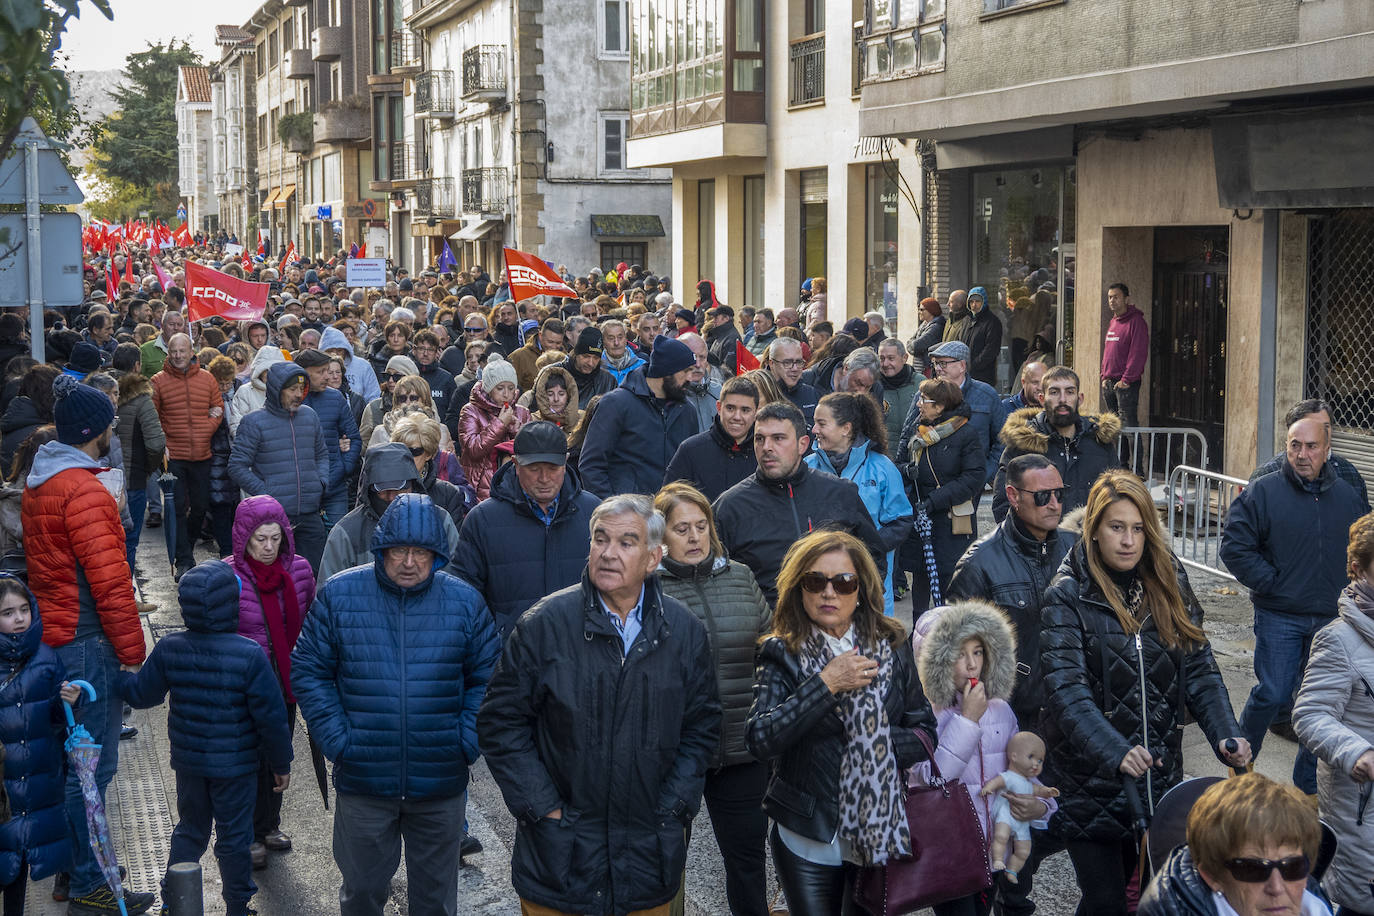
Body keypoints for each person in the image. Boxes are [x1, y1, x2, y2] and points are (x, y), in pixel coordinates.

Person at [478, 495, 720, 916]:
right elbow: (500, 724)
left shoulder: (684, 631)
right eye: (600, 539)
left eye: (627, 542)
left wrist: (674, 805)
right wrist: (542, 807)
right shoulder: (544, 624)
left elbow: (701, 728)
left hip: (648, 854)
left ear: (653, 558)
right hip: (559, 857)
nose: (609, 553)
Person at [1041, 470, 1251, 916]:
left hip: (1159, 778)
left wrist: (1225, 734)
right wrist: (1115, 750)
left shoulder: (1166, 579)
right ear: (1094, 529)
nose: (1128, 540)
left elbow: (1199, 666)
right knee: (1106, 901)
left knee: (1155, 897)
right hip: (1091, 780)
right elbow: (1066, 692)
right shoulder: (1067, 594)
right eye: (1117, 527)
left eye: (1138, 529)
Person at [292, 494, 500, 916]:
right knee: (362, 894)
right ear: (381, 549)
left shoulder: (464, 603)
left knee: (436, 902)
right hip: (365, 781)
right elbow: (308, 669)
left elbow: (490, 680)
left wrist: (465, 740)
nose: (409, 561)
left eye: (421, 551)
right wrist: (339, 740)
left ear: (437, 554)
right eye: (399, 551)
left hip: (439, 783)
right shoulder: (340, 595)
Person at [745, 529, 937, 915]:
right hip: (808, 833)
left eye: (843, 582)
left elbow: (925, 733)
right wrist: (825, 684)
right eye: (815, 581)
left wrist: (865, 733)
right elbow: (760, 736)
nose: (828, 593)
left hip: (877, 830)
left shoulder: (893, 646)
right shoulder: (781, 652)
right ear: (799, 588)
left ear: (862, 588)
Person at [22, 376, 155, 915]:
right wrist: (132, 652)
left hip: (56, 634)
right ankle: (89, 881)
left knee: (72, 763)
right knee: (91, 770)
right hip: (87, 640)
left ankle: (78, 866)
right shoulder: (82, 490)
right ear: (97, 430)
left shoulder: (43, 481)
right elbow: (110, 579)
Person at [118, 560, 293, 916]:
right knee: (234, 838)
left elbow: (143, 695)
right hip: (237, 767)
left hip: (190, 763)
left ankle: (173, 898)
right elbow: (272, 718)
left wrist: (120, 676)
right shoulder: (249, 654)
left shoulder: (170, 648)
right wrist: (280, 763)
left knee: (191, 830)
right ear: (232, 604)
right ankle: (238, 906)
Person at [1220, 413, 1368, 795]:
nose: (1302, 455)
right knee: (1272, 691)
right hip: (1280, 614)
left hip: (1331, 619)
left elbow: (1362, 552)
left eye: (1311, 446)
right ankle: (1240, 767)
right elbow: (1234, 547)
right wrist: (1271, 582)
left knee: (1318, 704)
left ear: (1327, 449)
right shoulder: (1263, 490)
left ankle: (1307, 785)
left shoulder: (1349, 495)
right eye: (1294, 446)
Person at [654, 482, 772, 916]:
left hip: (742, 751)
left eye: (701, 526)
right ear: (660, 537)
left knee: (748, 868)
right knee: (664, 867)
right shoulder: (648, 588)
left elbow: (771, 644)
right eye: (680, 528)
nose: (693, 537)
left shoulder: (740, 576)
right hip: (676, 755)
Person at [910, 600, 1058, 915]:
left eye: (978, 652)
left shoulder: (1001, 709)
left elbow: (1021, 771)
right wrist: (966, 721)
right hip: (948, 853)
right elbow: (933, 778)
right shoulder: (925, 714)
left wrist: (1040, 806)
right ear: (935, 660)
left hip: (994, 850)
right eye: (959, 655)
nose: (972, 664)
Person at [713, 402, 886, 604]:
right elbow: (715, 582)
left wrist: (855, 607)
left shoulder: (840, 493)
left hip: (834, 626)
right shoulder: (730, 507)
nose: (766, 447)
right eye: (759, 439)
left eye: (778, 438)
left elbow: (873, 559)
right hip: (768, 629)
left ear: (802, 444)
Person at [225, 496, 316, 870]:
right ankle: (245, 834)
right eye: (260, 539)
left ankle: (268, 825)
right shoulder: (227, 576)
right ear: (243, 538)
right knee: (247, 759)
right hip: (245, 688)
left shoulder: (300, 570)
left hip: (285, 680)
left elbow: (311, 621)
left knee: (278, 755)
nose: (267, 547)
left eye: (275, 539)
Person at [1293, 510, 1374, 916]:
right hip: (1363, 814)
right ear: (1359, 570)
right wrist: (1357, 752)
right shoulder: (1338, 640)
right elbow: (1309, 715)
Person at [453, 422, 599, 638]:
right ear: (515, 464)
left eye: (553, 468)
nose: (544, 478)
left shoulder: (594, 513)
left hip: (581, 650)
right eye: (534, 469)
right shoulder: (483, 519)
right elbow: (465, 595)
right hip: (511, 654)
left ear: (566, 463)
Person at [0, 576, 82, 916]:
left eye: (23, 610)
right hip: (3, 783)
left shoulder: (47, 660)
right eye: (7, 612)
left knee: (16, 860)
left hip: (33, 779)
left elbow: (54, 721)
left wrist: (68, 703)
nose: (19, 618)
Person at [1138, 773, 1331, 916]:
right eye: (1253, 870)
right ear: (1211, 876)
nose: (1277, 888)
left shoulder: (1315, 906)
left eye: (1293, 866)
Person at [806, 392, 913, 616]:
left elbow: (901, 521)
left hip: (871, 584)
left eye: (821, 423)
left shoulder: (882, 467)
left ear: (846, 428)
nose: (814, 430)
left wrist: (861, 549)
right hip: (818, 585)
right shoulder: (807, 467)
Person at [229, 363, 331, 574]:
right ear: (277, 390)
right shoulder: (254, 422)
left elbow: (321, 454)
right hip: (273, 521)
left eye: (300, 390)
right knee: (278, 577)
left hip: (310, 514)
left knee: (313, 575)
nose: (297, 395)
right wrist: (267, 494)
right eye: (291, 389)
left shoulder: (310, 416)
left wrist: (320, 482)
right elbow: (237, 466)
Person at [896, 377, 988, 612]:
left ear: (940, 406)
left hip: (950, 520)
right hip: (920, 517)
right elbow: (899, 463)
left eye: (924, 400)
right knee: (921, 575)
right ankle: (918, 632)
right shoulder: (916, 430)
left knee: (949, 578)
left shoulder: (965, 434)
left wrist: (935, 500)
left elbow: (974, 477)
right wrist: (907, 470)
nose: (918, 404)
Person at [992, 366, 1121, 522]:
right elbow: (1003, 501)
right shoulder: (1023, 444)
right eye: (1054, 392)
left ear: (1079, 399)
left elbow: (1117, 496)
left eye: (1069, 392)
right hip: (1038, 543)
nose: (1062, 399)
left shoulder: (1100, 443)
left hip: (1088, 542)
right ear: (1041, 399)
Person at [319, 442, 462, 583]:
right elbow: (329, 593)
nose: (392, 497)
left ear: (413, 484)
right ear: (369, 490)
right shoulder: (347, 533)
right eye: (383, 490)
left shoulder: (440, 521)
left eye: (400, 488)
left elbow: (456, 581)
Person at [578, 335, 698, 498]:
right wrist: (611, 508)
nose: (691, 378)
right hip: (628, 514)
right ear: (665, 371)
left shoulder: (687, 410)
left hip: (672, 513)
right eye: (685, 371)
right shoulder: (616, 404)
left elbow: (691, 465)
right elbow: (591, 465)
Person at [152, 333, 224, 580]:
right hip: (173, 455)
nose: (178, 356)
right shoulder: (158, 381)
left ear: (192, 351)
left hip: (202, 454)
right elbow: (152, 418)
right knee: (178, 507)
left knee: (201, 506)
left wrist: (206, 429)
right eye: (174, 352)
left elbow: (218, 409)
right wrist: (162, 443)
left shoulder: (207, 379)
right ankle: (184, 558)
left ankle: (187, 545)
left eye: (182, 351)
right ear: (168, 353)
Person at [908, 339, 1006, 485]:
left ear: (962, 366)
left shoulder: (987, 395)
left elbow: (1002, 441)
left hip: (973, 483)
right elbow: (907, 434)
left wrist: (984, 473)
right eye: (935, 363)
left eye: (943, 363)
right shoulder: (923, 395)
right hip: (933, 483)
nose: (938, 369)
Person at [1250, 399, 1369, 508]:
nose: (1320, 433)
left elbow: (1362, 523)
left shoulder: (1349, 473)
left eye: (1325, 427)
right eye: (1311, 426)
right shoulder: (1265, 476)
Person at [293, 349, 362, 530]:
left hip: (334, 486)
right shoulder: (289, 401)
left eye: (328, 371)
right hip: (300, 490)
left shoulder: (335, 397)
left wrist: (344, 466)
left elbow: (354, 438)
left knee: (336, 540)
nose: (327, 377)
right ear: (303, 373)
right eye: (320, 372)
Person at [663, 375, 759, 502]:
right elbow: (667, 501)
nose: (737, 416)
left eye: (745, 410)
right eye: (730, 408)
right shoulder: (690, 450)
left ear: (756, 413)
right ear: (719, 408)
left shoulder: (764, 453)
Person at [458, 355, 531, 501]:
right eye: (500, 388)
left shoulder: (522, 412)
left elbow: (530, 451)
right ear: (489, 389)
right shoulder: (470, 411)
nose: (506, 394)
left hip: (515, 483)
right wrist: (500, 424)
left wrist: (518, 431)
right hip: (481, 486)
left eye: (511, 388)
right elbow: (473, 450)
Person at [114, 368, 165, 574]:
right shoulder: (142, 400)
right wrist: (149, 469)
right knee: (130, 539)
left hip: (104, 479)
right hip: (133, 478)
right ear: (136, 366)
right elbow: (156, 444)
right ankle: (127, 594)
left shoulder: (100, 391)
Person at [1100, 283, 1147, 428]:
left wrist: (1126, 380)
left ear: (1126, 299)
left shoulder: (1136, 321)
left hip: (1126, 383)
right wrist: (1104, 376)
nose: (1112, 301)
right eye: (1109, 297)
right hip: (1109, 382)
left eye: (1116, 297)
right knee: (1115, 428)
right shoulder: (1113, 321)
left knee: (1129, 426)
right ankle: (1120, 452)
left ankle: (1136, 452)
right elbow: (1108, 351)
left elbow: (1138, 353)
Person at [229, 345, 288, 435]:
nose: (271, 374)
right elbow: (237, 425)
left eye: (275, 370)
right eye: (267, 371)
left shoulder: (288, 391)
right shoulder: (245, 391)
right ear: (259, 371)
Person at [878, 338, 918, 462]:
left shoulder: (920, 383)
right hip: (884, 458)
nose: (885, 364)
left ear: (904, 358)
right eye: (882, 358)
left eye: (891, 358)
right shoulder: (873, 385)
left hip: (914, 458)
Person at [556, 327, 616, 410]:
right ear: (576, 353)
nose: (590, 363)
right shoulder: (553, 373)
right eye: (586, 356)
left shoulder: (608, 381)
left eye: (595, 358)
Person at [966, 287, 1003, 387]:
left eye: (978, 301)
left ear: (984, 302)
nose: (974, 305)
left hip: (984, 376)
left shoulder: (992, 322)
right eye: (971, 301)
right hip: (967, 373)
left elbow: (991, 349)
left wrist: (973, 365)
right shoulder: (968, 320)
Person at [529, 364, 581, 429]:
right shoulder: (532, 421)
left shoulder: (581, 421)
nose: (556, 399)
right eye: (550, 394)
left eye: (561, 394)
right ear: (543, 396)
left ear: (569, 395)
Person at [907, 297, 947, 376]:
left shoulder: (936, 327)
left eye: (922, 309)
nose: (919, 312)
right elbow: (910, 342)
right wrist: (912, 344)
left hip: (928, 368)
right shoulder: (924, 325)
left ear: (931, 310)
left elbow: (916, 346)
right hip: (922, 368)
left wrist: (912, 345)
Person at [599, 319, 645, 384]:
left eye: (620, 337)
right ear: (603, 342)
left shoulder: (641, 366)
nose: (616, 343)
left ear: (626, 339)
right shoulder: (596, 368)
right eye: (611, 338)